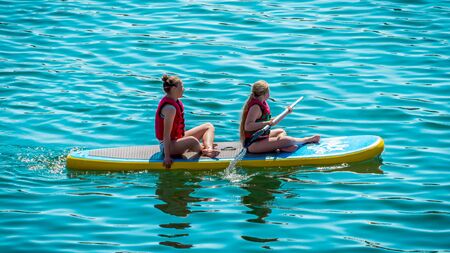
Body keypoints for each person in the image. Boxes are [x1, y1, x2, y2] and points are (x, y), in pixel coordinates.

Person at [155, 74, 219, 168]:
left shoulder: (175, 102)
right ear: (174, 88)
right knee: (192, 141)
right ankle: (203, 149)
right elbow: (166, 135)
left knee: (208, 126)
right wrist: (167, 157)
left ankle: (208, 148)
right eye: (181, 86)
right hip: (166, 146)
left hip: (177, 139)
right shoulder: (170, 109)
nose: (184, 89)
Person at [240, 80, 320, 153]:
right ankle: (307, 139)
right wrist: (267, 123)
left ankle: (280, 147)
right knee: (287, 140)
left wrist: (286, 112)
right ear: (265, 93)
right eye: (269, 91)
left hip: (261, 137)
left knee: (281, 131)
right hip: (253, 144)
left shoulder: (262, 103)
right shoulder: (256, 107)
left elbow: (272, 122)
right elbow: (248, 126)